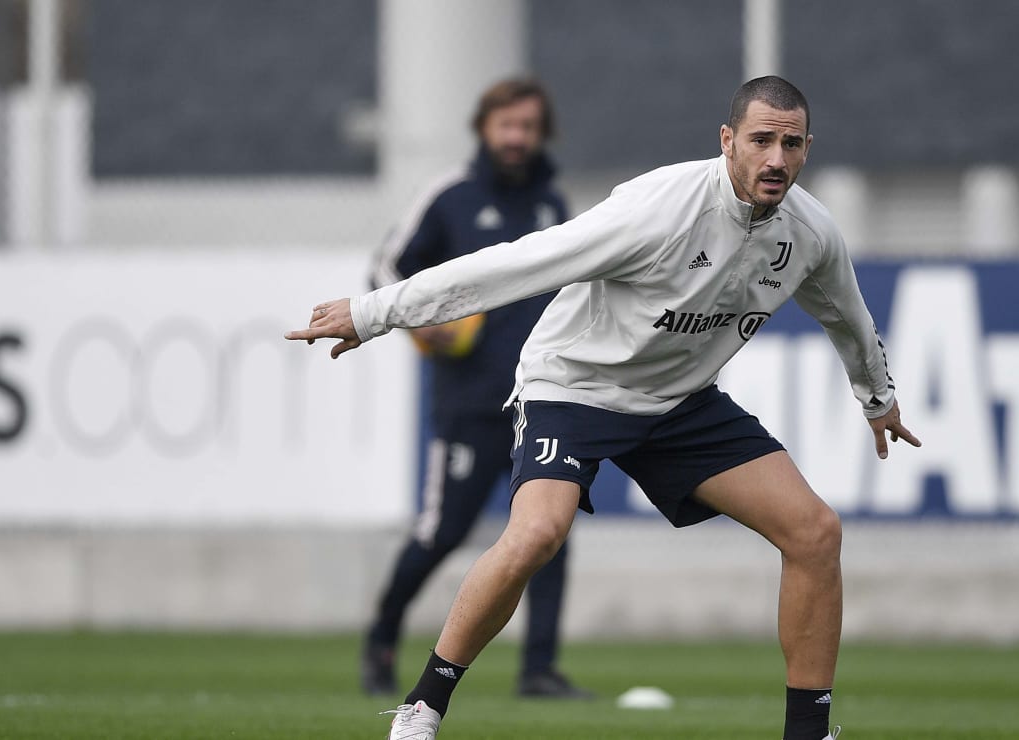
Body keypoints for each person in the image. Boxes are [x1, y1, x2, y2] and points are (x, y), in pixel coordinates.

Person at [287, 75, 921, 740]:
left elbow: (847, 316)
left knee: (816, 533)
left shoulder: (811, 232)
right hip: (574, 384)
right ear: (728, 141)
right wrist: (373, 313)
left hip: (677, 403)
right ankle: (423, 707)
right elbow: (514, 264)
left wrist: (877, 398)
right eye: (761, 140)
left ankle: (808, 733)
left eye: (791, 144)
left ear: (807, 149)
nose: (776, 159)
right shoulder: (658, 209)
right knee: (536, 535)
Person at [359, 77, 590, 701]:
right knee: (442, 533)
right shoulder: (451, 197)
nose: (516, 138)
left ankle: (538, 670)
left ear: (542, 133)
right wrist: (421, 321)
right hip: (468, 404)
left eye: (528, 127)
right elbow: (386, 267)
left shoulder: (551, 202)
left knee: (550, 534)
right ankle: (381, 640)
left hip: (541, 401)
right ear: (484, 128)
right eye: (506, 125)